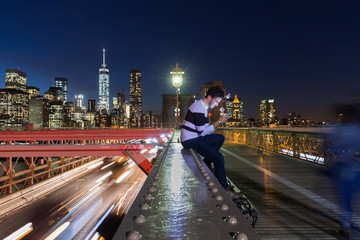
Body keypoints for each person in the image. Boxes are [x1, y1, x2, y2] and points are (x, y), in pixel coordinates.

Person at [181, 86, 241, 198]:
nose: (217, 104)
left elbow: (203, 130)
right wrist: (219, 122)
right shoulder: (199, 107)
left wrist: (217, 123)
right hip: (190, 140)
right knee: (219, 158)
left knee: (220, 138)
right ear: (209, 97)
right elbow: (203, 132)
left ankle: (207, 163)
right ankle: (225, 190)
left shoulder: (202, 107)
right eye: (216, 101)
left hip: (194, 137)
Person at [325, 103, 360, 236]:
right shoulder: (357, 131)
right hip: (357, 169)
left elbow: (329, 147)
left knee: (344, 200)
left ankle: (345, 227)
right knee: (354, 198)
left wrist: (330, 163)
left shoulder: (338, 131)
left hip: (343, 169)